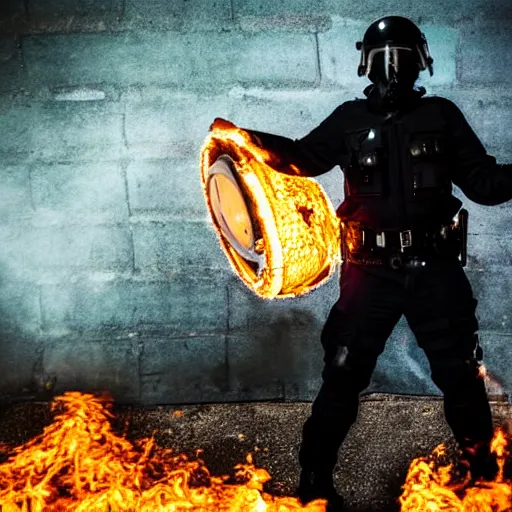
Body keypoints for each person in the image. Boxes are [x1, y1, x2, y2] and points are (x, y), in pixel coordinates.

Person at [211, 15, 512, 510]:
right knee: (344, 373)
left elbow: (483, 185)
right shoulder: (350, 119)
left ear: (420, 61)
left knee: (460, 374)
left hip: (434, 270)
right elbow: (303, 157)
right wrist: (244, 137)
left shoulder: (442, 115)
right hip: (368, 274)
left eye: (402, 56)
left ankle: (483, 477)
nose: (393, 67)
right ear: (366, 64)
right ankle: (314, 482)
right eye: (382, 57)